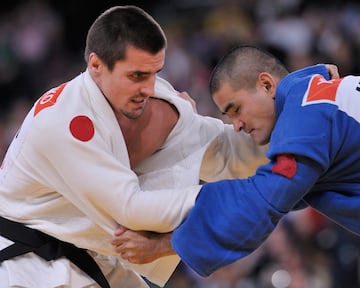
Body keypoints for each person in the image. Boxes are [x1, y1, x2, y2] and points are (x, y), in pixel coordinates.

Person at [0, 6, 268, 288]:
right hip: (27, 267)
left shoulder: (159, 101)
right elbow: (132, 209)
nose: (149, 87)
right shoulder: (64, 123)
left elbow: (224, 150)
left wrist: (289, 139)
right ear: (96, 66)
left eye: (155, 73)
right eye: (137, 75)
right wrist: (231, 197)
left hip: (89, 258)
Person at [166, 45, 360, 277]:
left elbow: (264, 196)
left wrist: (170, 246)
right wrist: (194, 132)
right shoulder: (314, 95)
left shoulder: (307, 112)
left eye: (236, 109)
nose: (237, 125)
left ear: (267, 85)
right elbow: (259, 177)